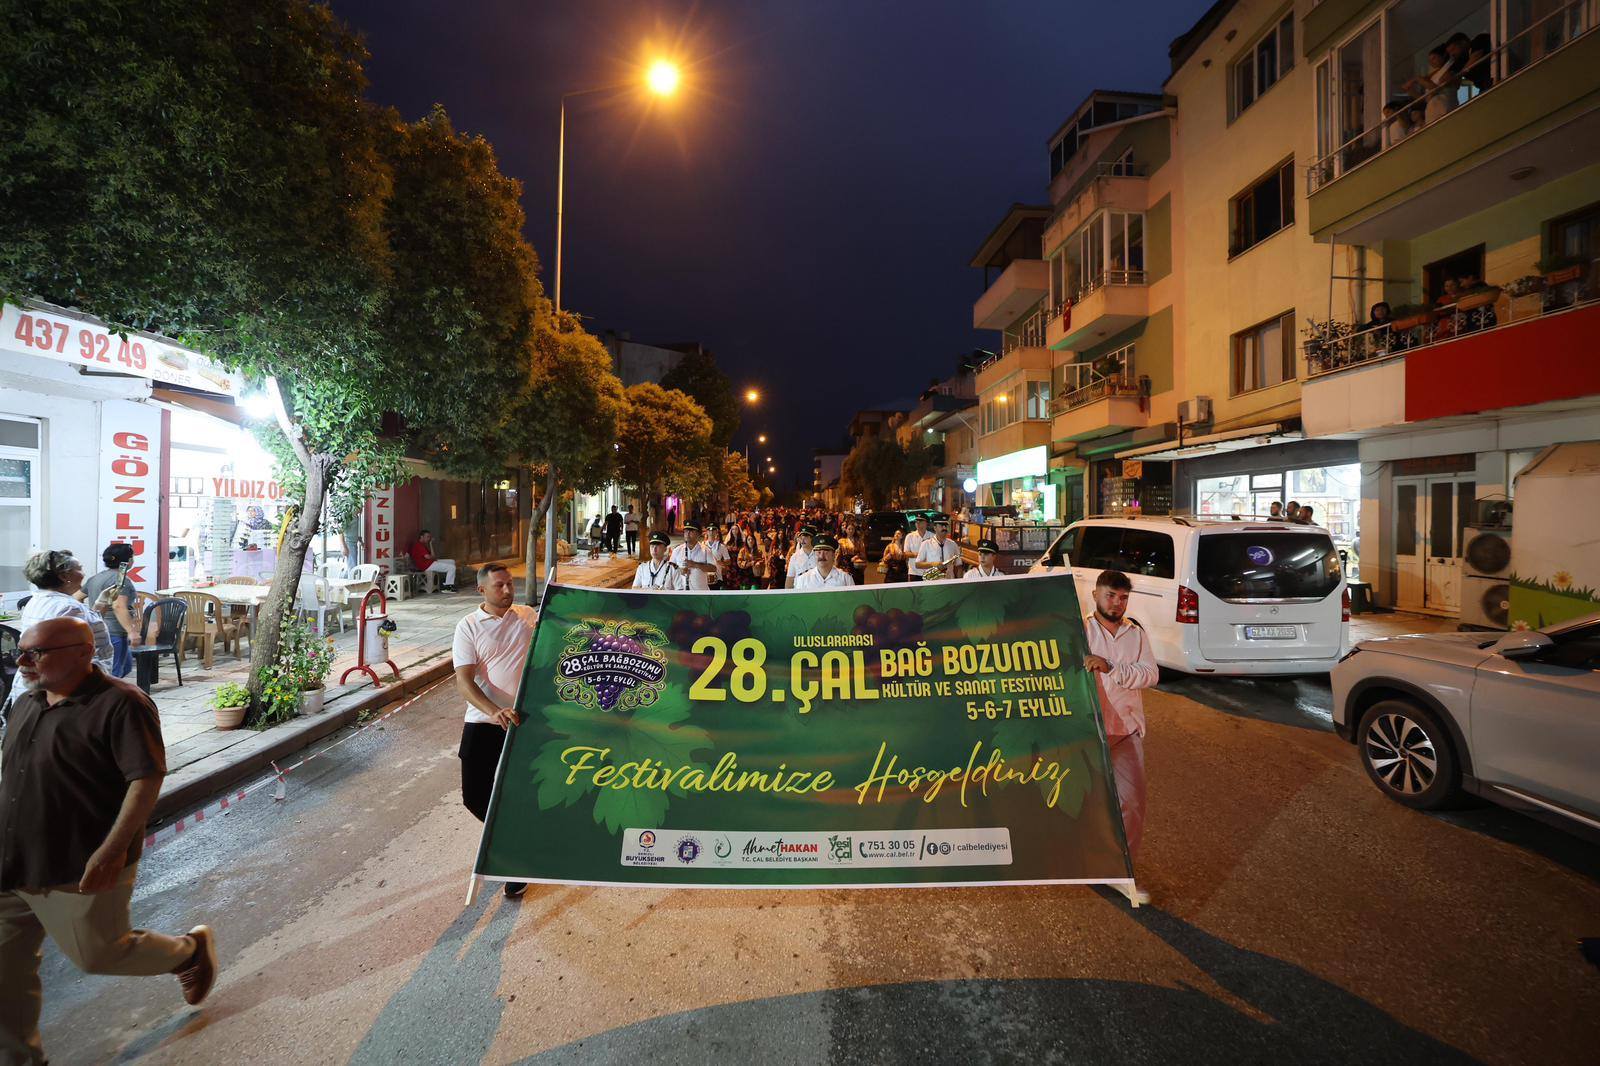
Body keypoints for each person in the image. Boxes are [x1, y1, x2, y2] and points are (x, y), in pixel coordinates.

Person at [1, 618, 218, 1063]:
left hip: (76, 862)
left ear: (83, 652)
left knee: (98, 954)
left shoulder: (122, 704)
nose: (22, 662)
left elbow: (145, 779)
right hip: (11, 860)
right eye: (20, 652)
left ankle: (188, 953)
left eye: (35, 653)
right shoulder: (27, 702)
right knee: (3, 973)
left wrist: (111, 851)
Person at [451, 563, 537, 899]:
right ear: (482, 590)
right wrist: (493, 710)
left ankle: (513, 862)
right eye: (499, 585)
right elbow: (464, 680)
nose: (507, 590)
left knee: (524, 790)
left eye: (510, 584)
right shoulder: (468, 627)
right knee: (474, 795)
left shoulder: (527, 616)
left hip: (524, 722)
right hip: (484, 720)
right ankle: (512, 838)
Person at [1081, 569, 1157, 905]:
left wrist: (1111, 667)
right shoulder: (1080, 631)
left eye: (1123, 597)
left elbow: (1150, 674)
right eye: (1110, 595)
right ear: (1095, 595)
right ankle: (1083, 860)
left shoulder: (1135, 634)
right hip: (1087, 731)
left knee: (1132, 803)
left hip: (1126, 729)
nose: (1116, 603)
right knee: (1085, 803)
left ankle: (1120, 873)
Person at [18, 550, 114, 673]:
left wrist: (101, 603)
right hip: (68, 680)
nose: (84, 573)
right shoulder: (69, 607)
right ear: (64, 576)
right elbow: (78, 655)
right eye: (79, 569)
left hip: (41, 676)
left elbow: (88, 627)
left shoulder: (36, 600)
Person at [82, 544, 143, 679]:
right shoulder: (121, 580)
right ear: (128, 561)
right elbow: (119, 606)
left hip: (99, 630)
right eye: (132, 557)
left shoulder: (95, 578)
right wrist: (132, 632)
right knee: (113, 675)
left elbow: (76, 597)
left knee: (125, 667)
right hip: (115, 632)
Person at [670, 522, 720, 591]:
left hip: (700, 591)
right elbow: (671, 567)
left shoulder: (705, 550)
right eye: (686, 531)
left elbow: (713, 568)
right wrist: (679, 570)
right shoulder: (677, 550)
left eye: (691, 531)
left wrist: (695, 564)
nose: (687, 534)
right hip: (682, 591)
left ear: (698, 534)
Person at [903, 516, 931, 581]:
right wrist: (918, 555)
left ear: (926, 523)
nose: (917, 523)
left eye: (920, 521)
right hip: (914, 572)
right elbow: (906, 553)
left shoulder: (932, 536)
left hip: (929, 572)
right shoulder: (910, 536)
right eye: (916, 522)